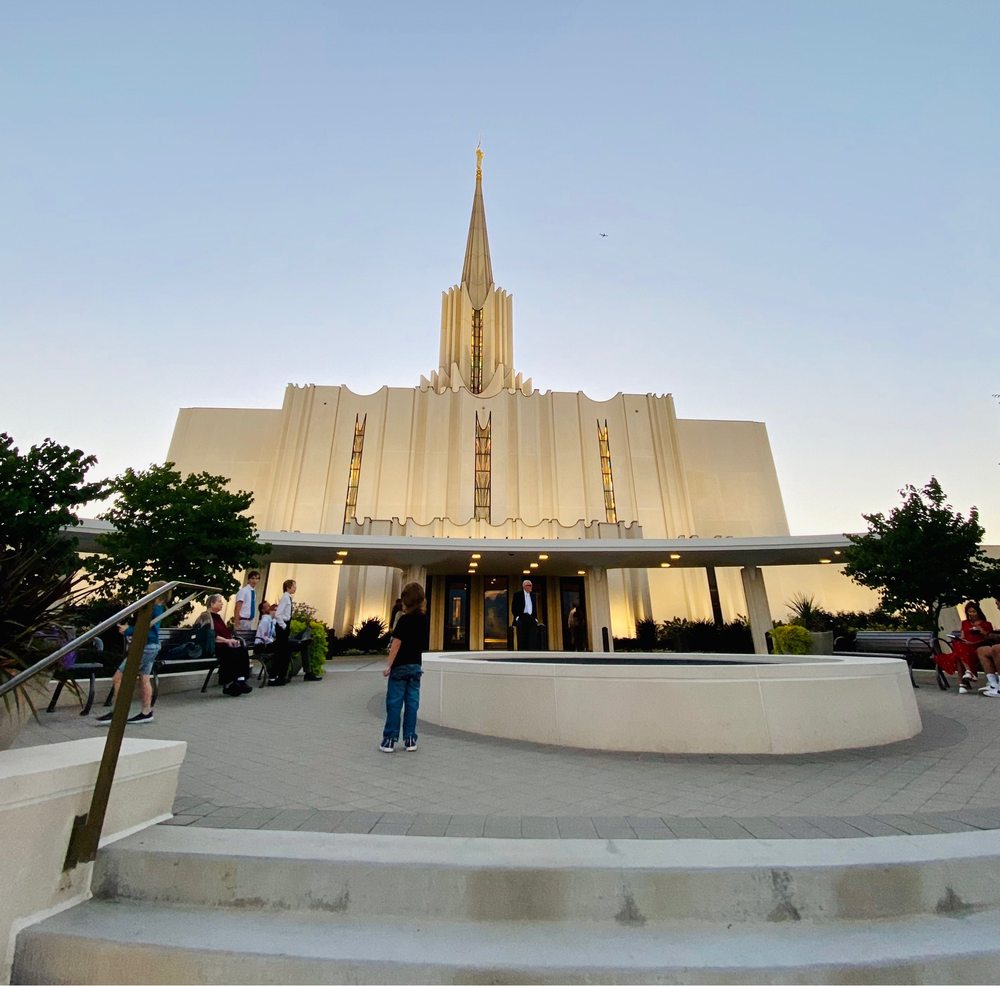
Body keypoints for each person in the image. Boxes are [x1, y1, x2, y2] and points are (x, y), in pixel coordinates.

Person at [95, 581, 168, 725]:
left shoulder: (153, 608)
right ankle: (146, 712)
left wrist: (128, 630)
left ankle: (117, 713)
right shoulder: (158, 608)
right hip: (151, 647)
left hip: (145, 647)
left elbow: (148, 630)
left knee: (118, 678)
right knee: (144, 678)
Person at [380, 581, 428, 753]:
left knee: (394, 703)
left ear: (405, 601)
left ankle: (389, 740)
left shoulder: (404, 620)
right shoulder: (424, 620)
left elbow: (397, 644)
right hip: (416, 666)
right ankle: (410, 739)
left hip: (400, 667)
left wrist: (388, 665)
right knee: (412, 704)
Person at [206, 593, 253, 696]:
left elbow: (225, 633)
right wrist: (227, 641)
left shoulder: (217, 617)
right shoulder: (207, 617)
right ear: (212, 603)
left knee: (242, 649)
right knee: (233, 652)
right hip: (214, 646)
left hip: (224, 645)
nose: (222, 604)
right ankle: (229, 683)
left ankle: (240, 680)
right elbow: (210, 636)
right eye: (219, 601)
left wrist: (231, 640)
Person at [958, 600, 1000, 697]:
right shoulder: (965, 623)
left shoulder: (985, 623)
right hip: (968, 647)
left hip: (975, 645)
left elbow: (987, 636)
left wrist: (982, 631)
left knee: (996, 649)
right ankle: (993, 684)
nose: (997, 607)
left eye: (997, 604)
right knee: (982, 650)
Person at [512, 578, 538, 650]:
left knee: (532, 637)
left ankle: (532, 652)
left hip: (531, 617)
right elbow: (514, 607)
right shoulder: (518, 595)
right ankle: (522, 653)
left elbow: (534, 607)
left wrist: (535, 618)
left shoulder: (533, 595)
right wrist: (517, 617)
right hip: (522, 617)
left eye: (531, 585)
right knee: (521, 637)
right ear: (524, 586)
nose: (531, 587)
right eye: (529, 585)